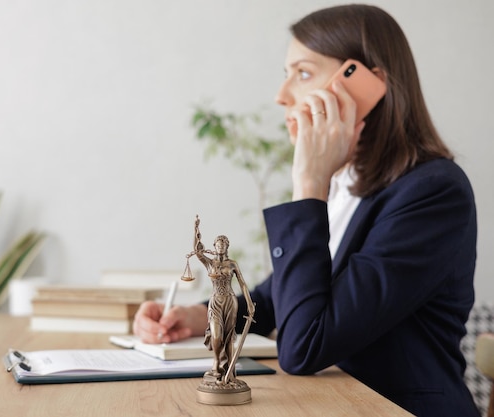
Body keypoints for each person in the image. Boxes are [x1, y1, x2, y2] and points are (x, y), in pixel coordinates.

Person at [133, 4, 479, 416]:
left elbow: (304, 346)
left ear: (368, 85)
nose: (281, 96)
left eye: (302, 73)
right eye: (286, 74)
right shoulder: (351, 183)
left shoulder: (433, 193)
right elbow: (280, 296)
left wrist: (309, 185)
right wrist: (198, 318)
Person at [190, 216, 255, 385]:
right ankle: (216, 362)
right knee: (217, 336)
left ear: (227, 246)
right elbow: (197, 251)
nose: (220, 247)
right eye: (218, 244)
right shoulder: (209, 263)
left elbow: (242, 284)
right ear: (214, 247)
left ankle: (228, 371)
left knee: (228, 336)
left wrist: (249, 303)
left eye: (223, 244)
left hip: (230, 301)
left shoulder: (232, 264)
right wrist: (196, 230)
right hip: (215, 302)